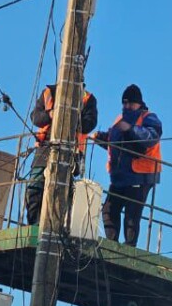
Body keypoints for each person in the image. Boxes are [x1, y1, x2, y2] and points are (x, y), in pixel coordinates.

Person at [93, 84, 162, 246]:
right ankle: (113, 244)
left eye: (130, 103)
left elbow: (151, 137)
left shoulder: (148, 117)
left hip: (141, 174)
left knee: (132, 213)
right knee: (109, 209)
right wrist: (101, 138)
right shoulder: (120, 120)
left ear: (139, 103)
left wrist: (131, 129)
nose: (127, 106)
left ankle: (129, 247)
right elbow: (115, 141)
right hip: (121, 175)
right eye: (124, 103)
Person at [25, 83, 98, 225]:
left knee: (64, 192)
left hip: (71, 152)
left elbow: (90, 123)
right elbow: (35, 117)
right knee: (34, 189)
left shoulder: (87, 98)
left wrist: (70, 117)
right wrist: (51, 114)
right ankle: (34, 224)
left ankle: (60, 227)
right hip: (45, 147)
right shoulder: (49, 92)